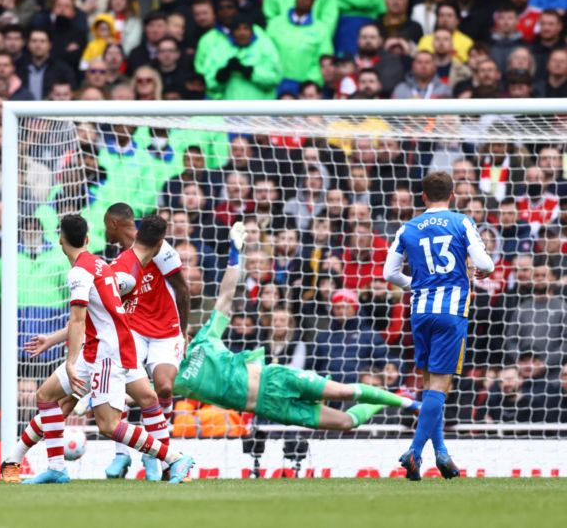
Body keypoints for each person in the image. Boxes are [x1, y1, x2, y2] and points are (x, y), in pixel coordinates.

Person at [174, 222, 420, 443]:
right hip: (268, 407)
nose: (178, 338)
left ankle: (407, 401)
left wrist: (235, 253)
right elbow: (140, 393)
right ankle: (391, 396)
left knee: (344, 391)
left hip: (276, 378)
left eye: (179, 334)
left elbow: (226, 295)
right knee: (347, 422)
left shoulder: (204, 338)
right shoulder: (172, 378)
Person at [11, 215, 195, 485]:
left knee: (107, 424)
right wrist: (54, 339)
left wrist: (70, 361)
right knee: (48, 395)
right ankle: (48, 466)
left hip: (107, 353)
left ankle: (173, 459)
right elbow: (104, 308)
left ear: (60, 239)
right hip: (113, 346)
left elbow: (79, 318)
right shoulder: (106, 266)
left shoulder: (93, 269)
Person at [384, 171, 495, 481]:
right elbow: (484, 264)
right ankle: (415, 452)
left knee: (431, 385)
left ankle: (442, 453)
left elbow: (389, 273)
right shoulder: (462, 222)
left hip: (419, 312)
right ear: (453, 194)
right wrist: (487, 270)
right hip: (451, 311)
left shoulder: (407, 228)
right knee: (441, 387)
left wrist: (415, 285)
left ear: (422, 196)